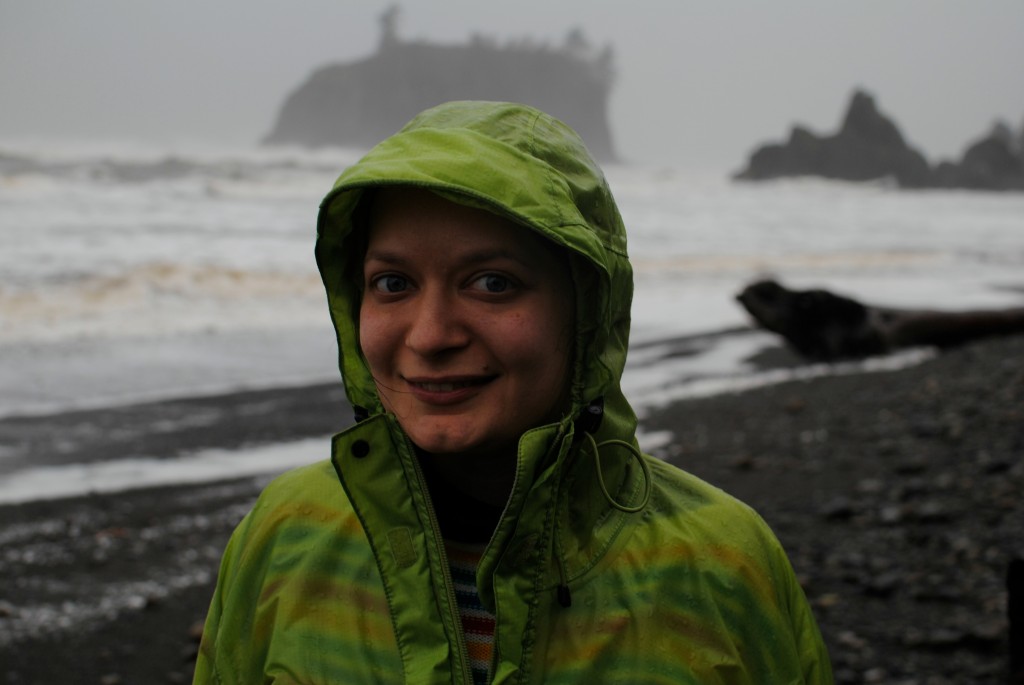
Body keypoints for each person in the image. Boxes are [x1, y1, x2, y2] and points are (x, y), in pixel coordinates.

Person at [193, 101, 833, 684]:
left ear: (586, 311)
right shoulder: (285, 533)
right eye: (392, 283)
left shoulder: (720, 562)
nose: (432, 334)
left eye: (492, 283)